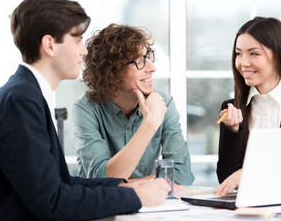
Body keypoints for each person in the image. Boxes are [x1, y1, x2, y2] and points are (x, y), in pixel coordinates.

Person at [0, 0, 170, 221]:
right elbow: (52, 201)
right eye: (77, 41)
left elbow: (59, 182)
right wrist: (136, 198)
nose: (84, 51)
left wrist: (127, 187)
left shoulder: (26, 93)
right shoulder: (21, 101)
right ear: (49, 45)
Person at [214, 17, 281, 197]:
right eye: (238, 53)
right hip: (249, 210)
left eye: (254, 53)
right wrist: (233, 130)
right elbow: (226, 180)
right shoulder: (232, 108)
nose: (243, 63)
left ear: (278, 56)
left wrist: (246, 173)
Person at [72, 23, 194, 185]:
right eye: (138, 61)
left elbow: (182, 175)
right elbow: (101, 179)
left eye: (148, 57)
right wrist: (149, 124)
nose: (152, 67)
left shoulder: (163, 102)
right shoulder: (85, 109)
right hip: (104, 208)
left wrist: (126, 185)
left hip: (152, 204)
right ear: (112, 73)